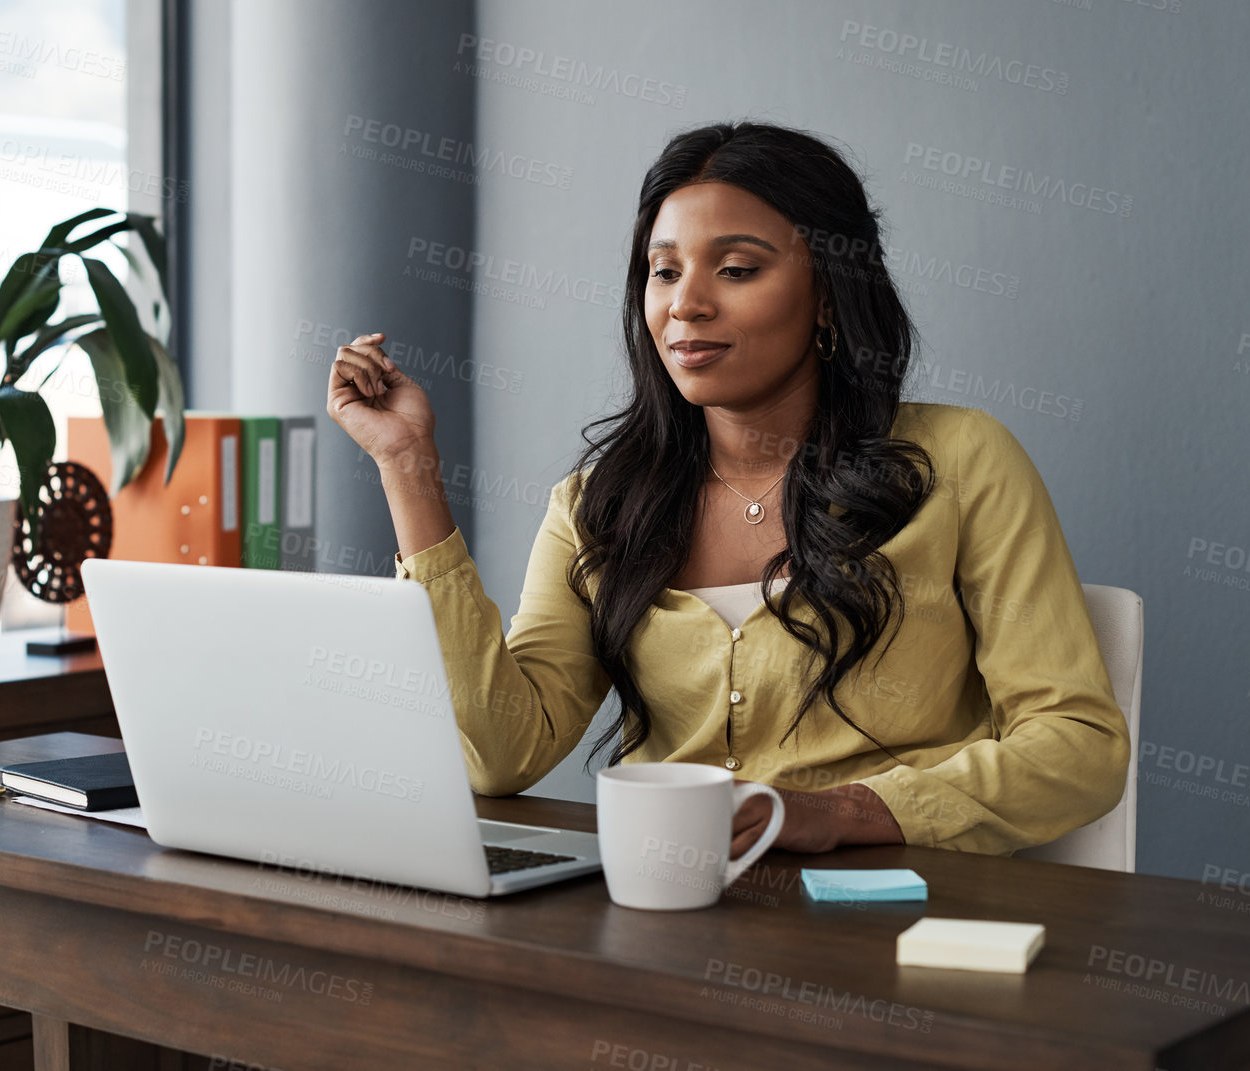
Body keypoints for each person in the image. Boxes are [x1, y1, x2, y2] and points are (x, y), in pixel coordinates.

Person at [325, 120, 1129, 858]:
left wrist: (842, 811)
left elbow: (1077, 744)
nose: (685, 304)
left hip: (888, 923)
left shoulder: (960, 460)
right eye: (663, 270)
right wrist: (407, 466)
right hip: (662, 906)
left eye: (736, 269)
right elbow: (503, 753)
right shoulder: (595, 505)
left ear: (827, 296)